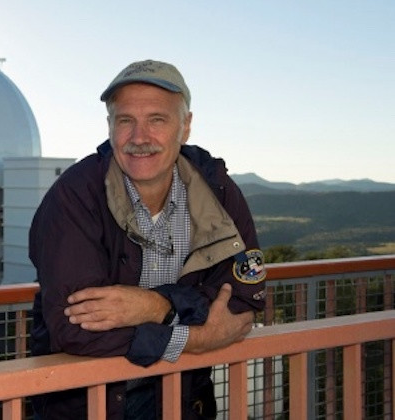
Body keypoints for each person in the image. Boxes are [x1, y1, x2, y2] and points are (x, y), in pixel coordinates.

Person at [29, 60, 266, 420]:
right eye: (126, 120)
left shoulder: (216, 190)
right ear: (110, 127)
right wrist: (196, 337)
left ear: (184, 127)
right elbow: (73, 329)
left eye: (157, 119)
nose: (139, 138)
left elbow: (245, 299)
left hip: (184, 397)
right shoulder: (75, 196)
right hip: (91, 402)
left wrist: (156, 307)